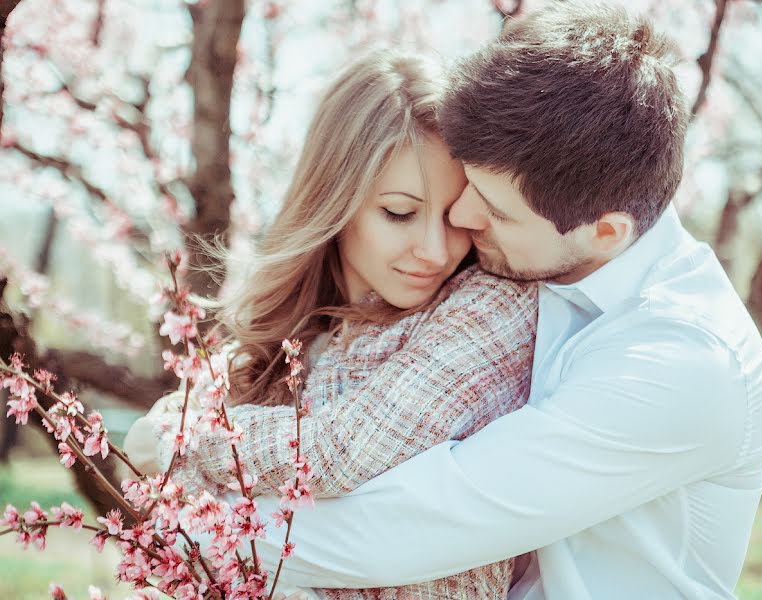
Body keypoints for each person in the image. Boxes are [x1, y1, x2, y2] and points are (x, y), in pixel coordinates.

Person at [133, 2, 762, 598]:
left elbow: (389, 534)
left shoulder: (679, 361)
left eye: (489, 208)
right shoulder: (545, 269)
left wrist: (175, 465)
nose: (456, 230)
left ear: (604, 232)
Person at [124, 48, 537, 599]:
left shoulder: (490, 310)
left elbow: (340, 453)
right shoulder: (262, 353)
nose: (435, 250)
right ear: (335, 199)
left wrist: (182, 437)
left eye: (453, 213)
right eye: (399, 212)